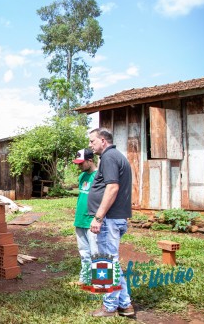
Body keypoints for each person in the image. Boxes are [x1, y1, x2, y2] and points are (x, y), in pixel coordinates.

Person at [87, 128, 134, 317]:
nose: (90, 145)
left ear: (103, 141)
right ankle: (125, 304)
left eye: (92, 141)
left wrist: (98, 217)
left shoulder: (109, 157)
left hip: (109, 219)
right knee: (111, 260)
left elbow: (112, 188)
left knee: (105, 263)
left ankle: (109, 306)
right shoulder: (115, 156)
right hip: (115, 218)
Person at [72, 148, 98, 286]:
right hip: (80, 219)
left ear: (90, 160)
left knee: (96, 253)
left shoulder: (99, 176)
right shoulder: (82, 177)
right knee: (84, 252)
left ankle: (100, 282)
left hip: (92, 220)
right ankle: (85, 279)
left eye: (81, 163)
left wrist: (98, 218)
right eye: (77, 163)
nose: (79, 166)